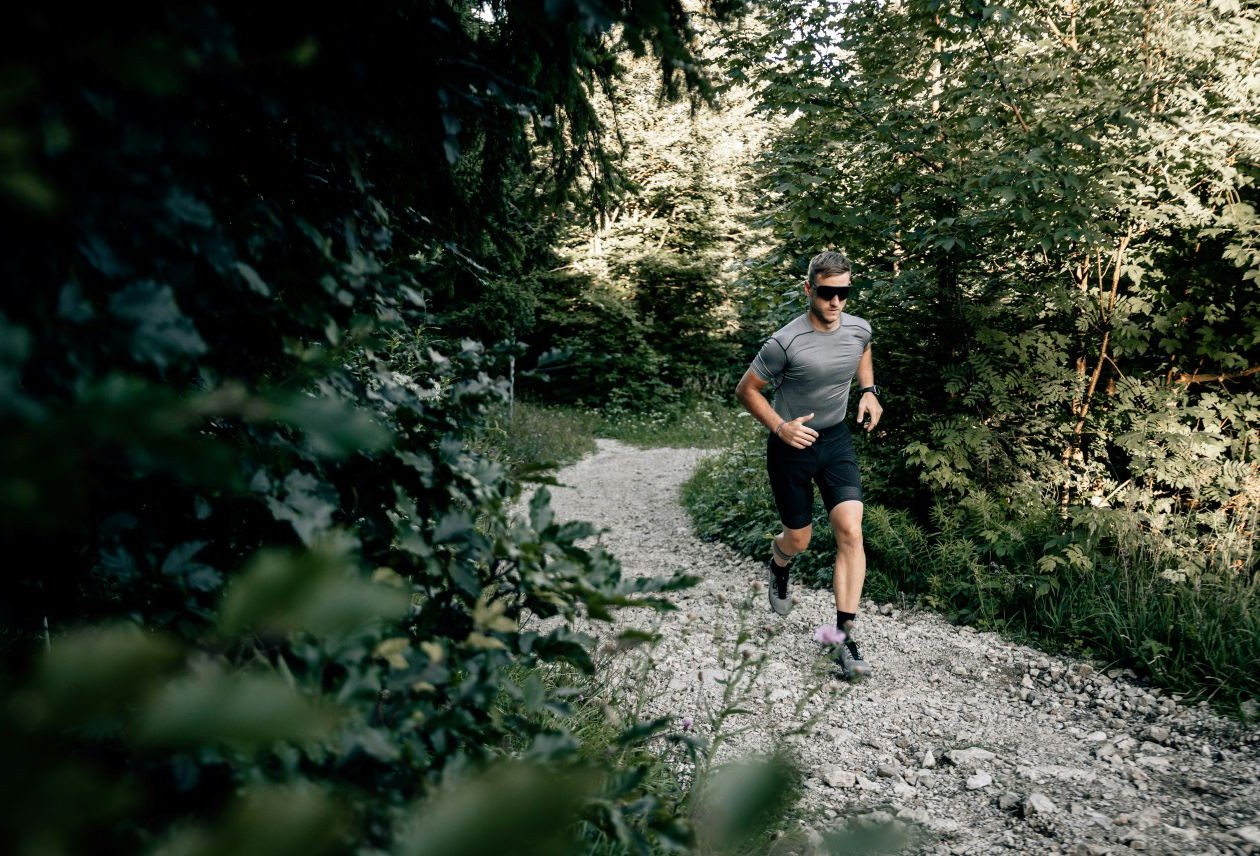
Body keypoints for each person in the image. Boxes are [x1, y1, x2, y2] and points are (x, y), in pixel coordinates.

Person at [734, 250, 883, 680]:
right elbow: (747, 390)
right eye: (827, 293)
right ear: (809, 289)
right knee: (798, 539)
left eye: (845, 292)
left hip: (835, 440)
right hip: (791, 445)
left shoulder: (858, 328)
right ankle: (780, 564)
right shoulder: (784, 342)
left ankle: (843, 637)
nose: (837, 302)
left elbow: (862, 348)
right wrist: (780, 428)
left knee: (851, 529)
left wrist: (869, 390)